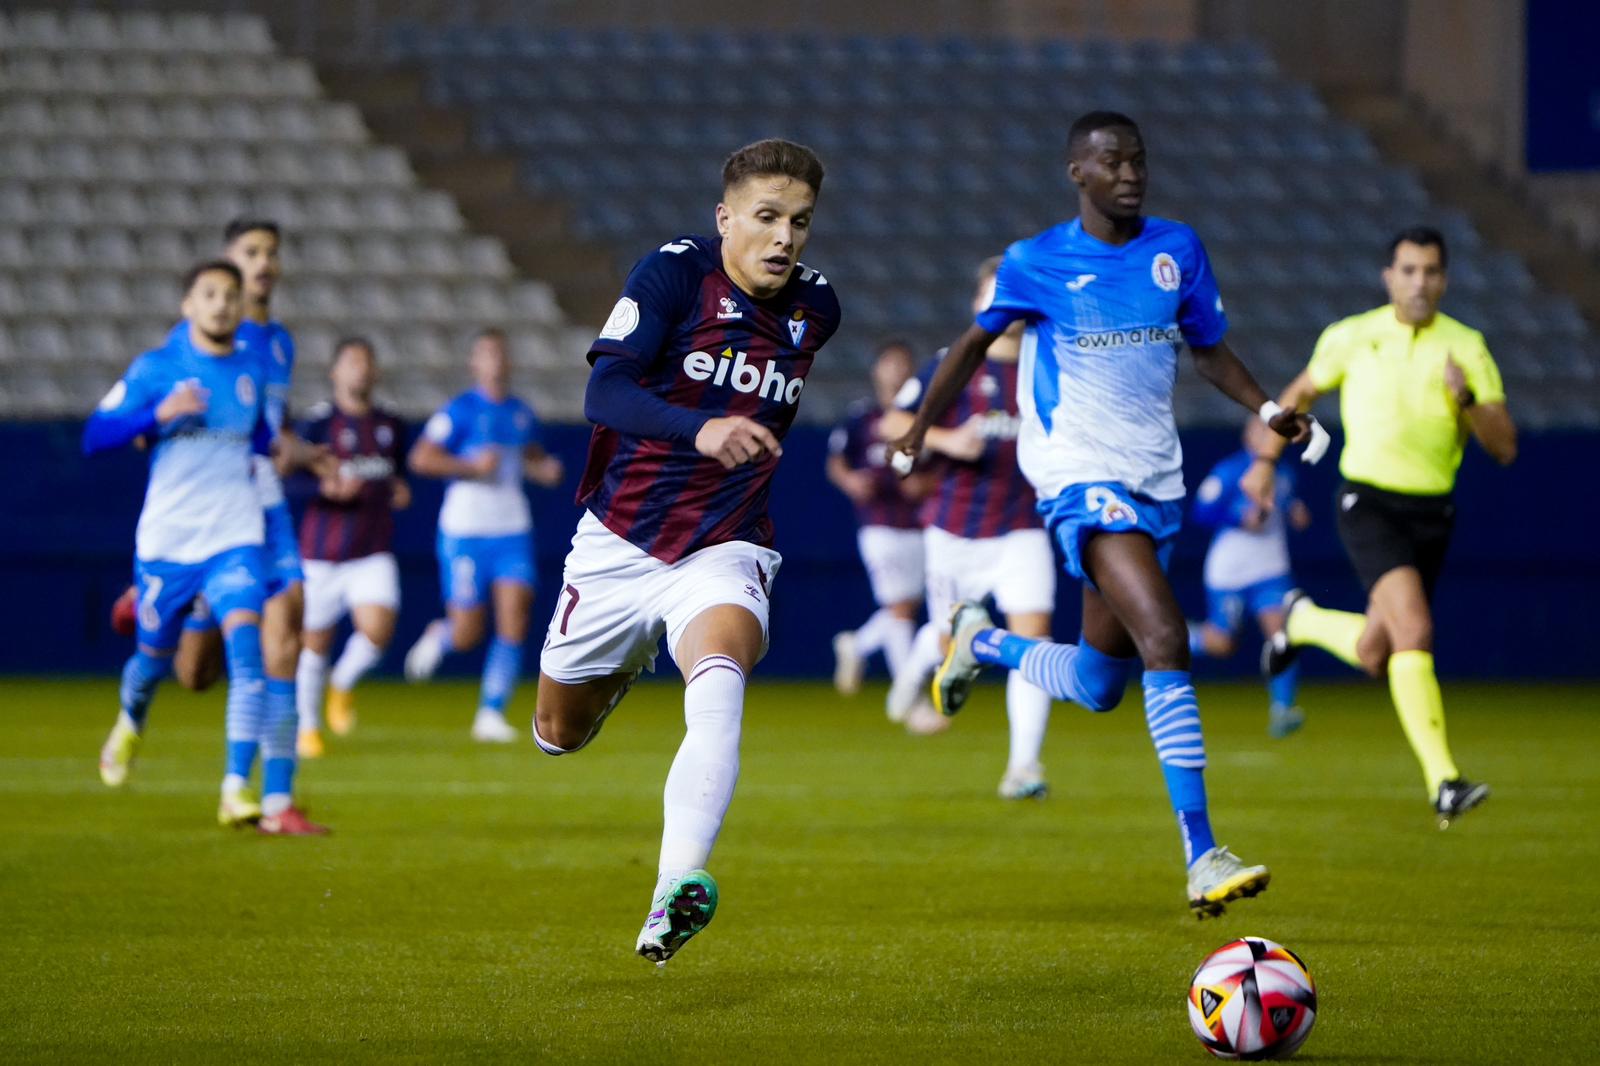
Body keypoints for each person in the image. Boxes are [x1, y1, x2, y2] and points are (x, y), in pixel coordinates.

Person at [890, 111, 1321, 917]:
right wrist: (918, 430)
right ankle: (1201, 852)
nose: (1130, 172)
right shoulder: (1037, 260)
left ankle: (977, 640)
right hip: (1076, 475)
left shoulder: (1177, 250)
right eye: (1111, 161)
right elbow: (973, 346)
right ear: (1077, 174)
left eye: (1139, 160)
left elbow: (1208, 347)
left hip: (1154, 479)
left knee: (1097, 684)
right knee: (1166, 634)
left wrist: (1267, 408)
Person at [534, 139, 840, 964]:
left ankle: (675, 887)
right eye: (767, 218)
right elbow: (604, 389)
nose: (783, 238)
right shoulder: (673, 274)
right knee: (557, 734)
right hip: (619, 540)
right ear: (725, 217)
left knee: (721, 676)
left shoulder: (817, 308)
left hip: (724, 542)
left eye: (800, 222)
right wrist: (697, 426)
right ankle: (625, 665)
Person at [1251, 225, 1516, 826]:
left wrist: (1469, 400)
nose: (1420, 282)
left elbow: (1504, 448)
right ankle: (1444, 781)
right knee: (1414, 630)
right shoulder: (1353, 336)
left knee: (1378, 652)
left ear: (1444, 279)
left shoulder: (1467, 347)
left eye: (1430, 272)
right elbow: (1297, 394)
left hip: (1432, 512)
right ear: (1388, 276)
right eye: (1409, 270)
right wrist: (1266, 461)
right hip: (1368, 502)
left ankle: (1302, 619)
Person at [87, 261, 325, 834]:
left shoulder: (251, 371)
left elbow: (262, 439)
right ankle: (129, 720)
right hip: (169, 543)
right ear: (187, 305)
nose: (221, 304)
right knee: (152, 661)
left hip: (234, 538)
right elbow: (95, 437)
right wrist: (156, 416)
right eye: (209, 294)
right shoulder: (157, 369)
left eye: (230, 296)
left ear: (242, 309)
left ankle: (233, 789)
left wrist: (308, 460)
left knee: (248, 656)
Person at [880, 259, 1060, 796]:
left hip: (1022, 529)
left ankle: (1023, 767)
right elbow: (893, 423)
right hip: (954, 530)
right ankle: (909, 682)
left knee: (1035, 640)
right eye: (994, 293)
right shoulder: (952, 362)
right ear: (978, 304)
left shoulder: (1047, 366)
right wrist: (948, 440)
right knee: (943, 640)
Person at [402, 329, 564, 742]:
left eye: (500, 354)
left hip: (511, 529)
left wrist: (543, 470)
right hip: (466, 531)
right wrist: (469, 466)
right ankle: (441, 635)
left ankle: (490, 712)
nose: (494, 362)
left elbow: (530, 457)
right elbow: (421, 458)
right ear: (474, 363)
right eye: (486, 354)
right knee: (468, 630)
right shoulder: (458, 411)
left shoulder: (521, 414)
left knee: (515, 617)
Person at [291, 337, 411, 755]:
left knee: (378, 630)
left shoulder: (390, 424)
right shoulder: (318, 424)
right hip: (321, 551)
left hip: (371, 548)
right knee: (314, 643)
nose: (359, 368)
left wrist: (398, 489)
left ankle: (341, 684)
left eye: (366, 361)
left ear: (375, 372)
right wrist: (321, 485)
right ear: (334, 372)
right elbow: (289, 474)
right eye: (351, 361)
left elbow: (393, 474)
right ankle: (307, 727)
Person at [1186, 418, 1312, 739]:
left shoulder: (1281, 472)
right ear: (1247, 435)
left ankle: (1283, 708)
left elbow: (1285, 503)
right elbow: (1201, 510)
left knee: (1281, 635)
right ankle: (1173, 636)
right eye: (1260, 431)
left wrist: (1296, 511)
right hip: (1231, 571)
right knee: (1222, 643)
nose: (1267, 438)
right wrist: (1238, 519)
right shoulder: (1231, 470)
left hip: (1270, 570)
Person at [825, 339, 926, 696]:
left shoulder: (922, 417)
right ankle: (908, 695)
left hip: (920, 522)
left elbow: (935, 470)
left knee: (904, 607)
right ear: (876, 370)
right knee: (900, 609)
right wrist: (852, 480)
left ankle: (859, 644)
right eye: (890, 363)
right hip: (878, 522)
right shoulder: (862, 417)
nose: (897, 371)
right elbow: (837, 461)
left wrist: (922, 483)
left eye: (903, 364)